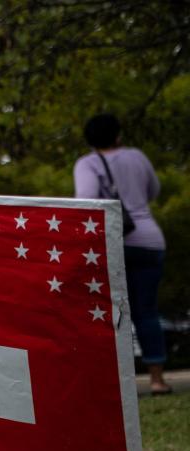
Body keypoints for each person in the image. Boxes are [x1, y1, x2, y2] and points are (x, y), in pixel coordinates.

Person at [74, 113, 172, 395]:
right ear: (118, 134)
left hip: (112, 241)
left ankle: (113, 383)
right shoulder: (137, 157)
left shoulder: (87, 164)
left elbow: (86, 199)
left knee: (108, 313)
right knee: (147, 311)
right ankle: (157, 380)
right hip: (150, 241)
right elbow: (154, 190)